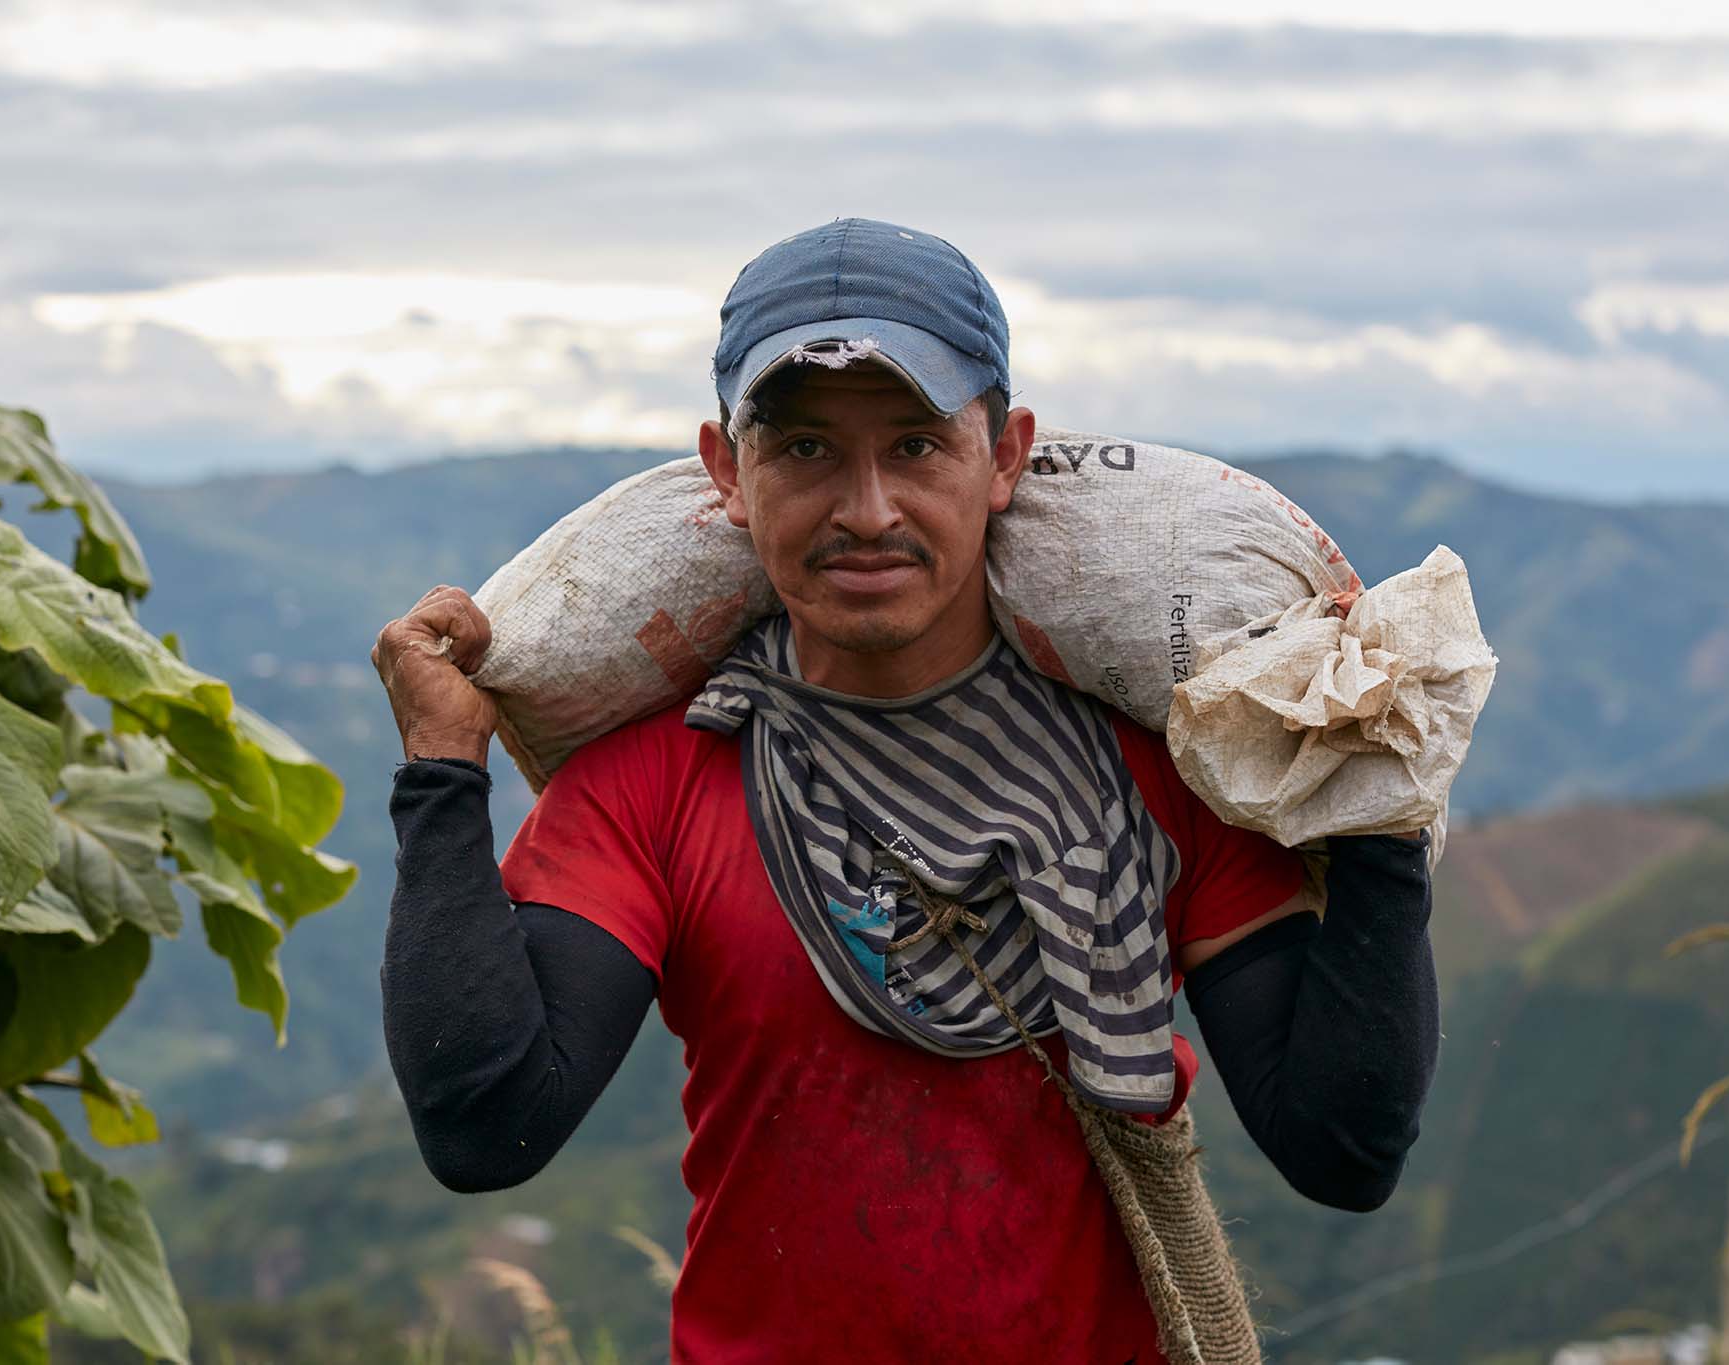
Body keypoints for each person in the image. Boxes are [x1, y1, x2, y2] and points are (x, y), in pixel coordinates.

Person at [373, 218, 1440, 1363]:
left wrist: (1372, 795)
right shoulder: (652, 790)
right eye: (804, 451)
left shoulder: (1157, 775)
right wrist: (443, 775)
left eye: (918, 447)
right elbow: (486, 1127)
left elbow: (1342, 1152)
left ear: (1009, 455)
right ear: (727, 473)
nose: (867, 509)